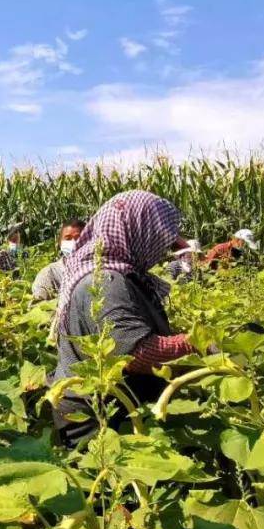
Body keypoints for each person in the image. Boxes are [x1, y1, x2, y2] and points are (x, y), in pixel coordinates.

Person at [52, 191, 198, 447]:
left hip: (118, 408)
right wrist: (202, 343)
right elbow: (136, 354)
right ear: (140, 232)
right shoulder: (105, 281)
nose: (163, 247)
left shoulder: (115, 273)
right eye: (159, 236)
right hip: (101, 425)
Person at [31, 218, 85, 301]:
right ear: (59, 243)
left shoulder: (100, 270)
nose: (74, 243)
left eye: (78, 238)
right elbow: (39, 305)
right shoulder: (49, 274)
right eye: (68, 239)